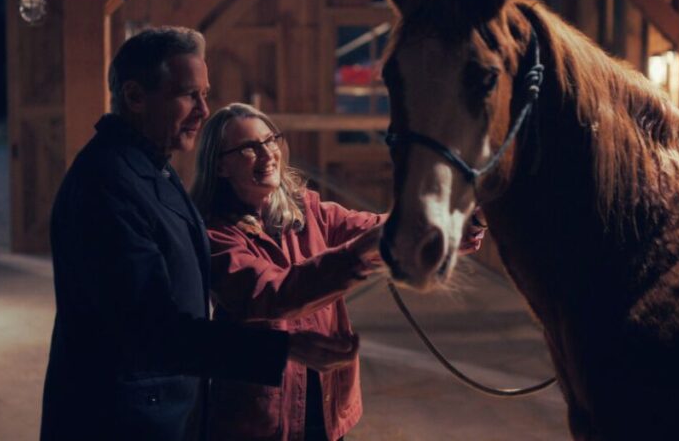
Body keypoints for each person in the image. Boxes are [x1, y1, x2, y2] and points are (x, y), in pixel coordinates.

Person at [40, 28, 368, 441]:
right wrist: (283, 349)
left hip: (164, 412)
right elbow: (153, 332)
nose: (202, 109)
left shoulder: (151, 169)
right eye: (188, 95)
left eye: (204, 94)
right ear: (135, 97)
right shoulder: (107, 187)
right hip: (121, 421)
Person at [190, 103, 486, 441]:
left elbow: (386, 227)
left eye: (270, 140)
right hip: (260, 418)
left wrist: (468, 218)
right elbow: (272, 293)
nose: (267, 153)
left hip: (327, 405)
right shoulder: (215, 234)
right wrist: (358, 252)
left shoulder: (309, 211)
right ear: (220, 166)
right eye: (248, 148)